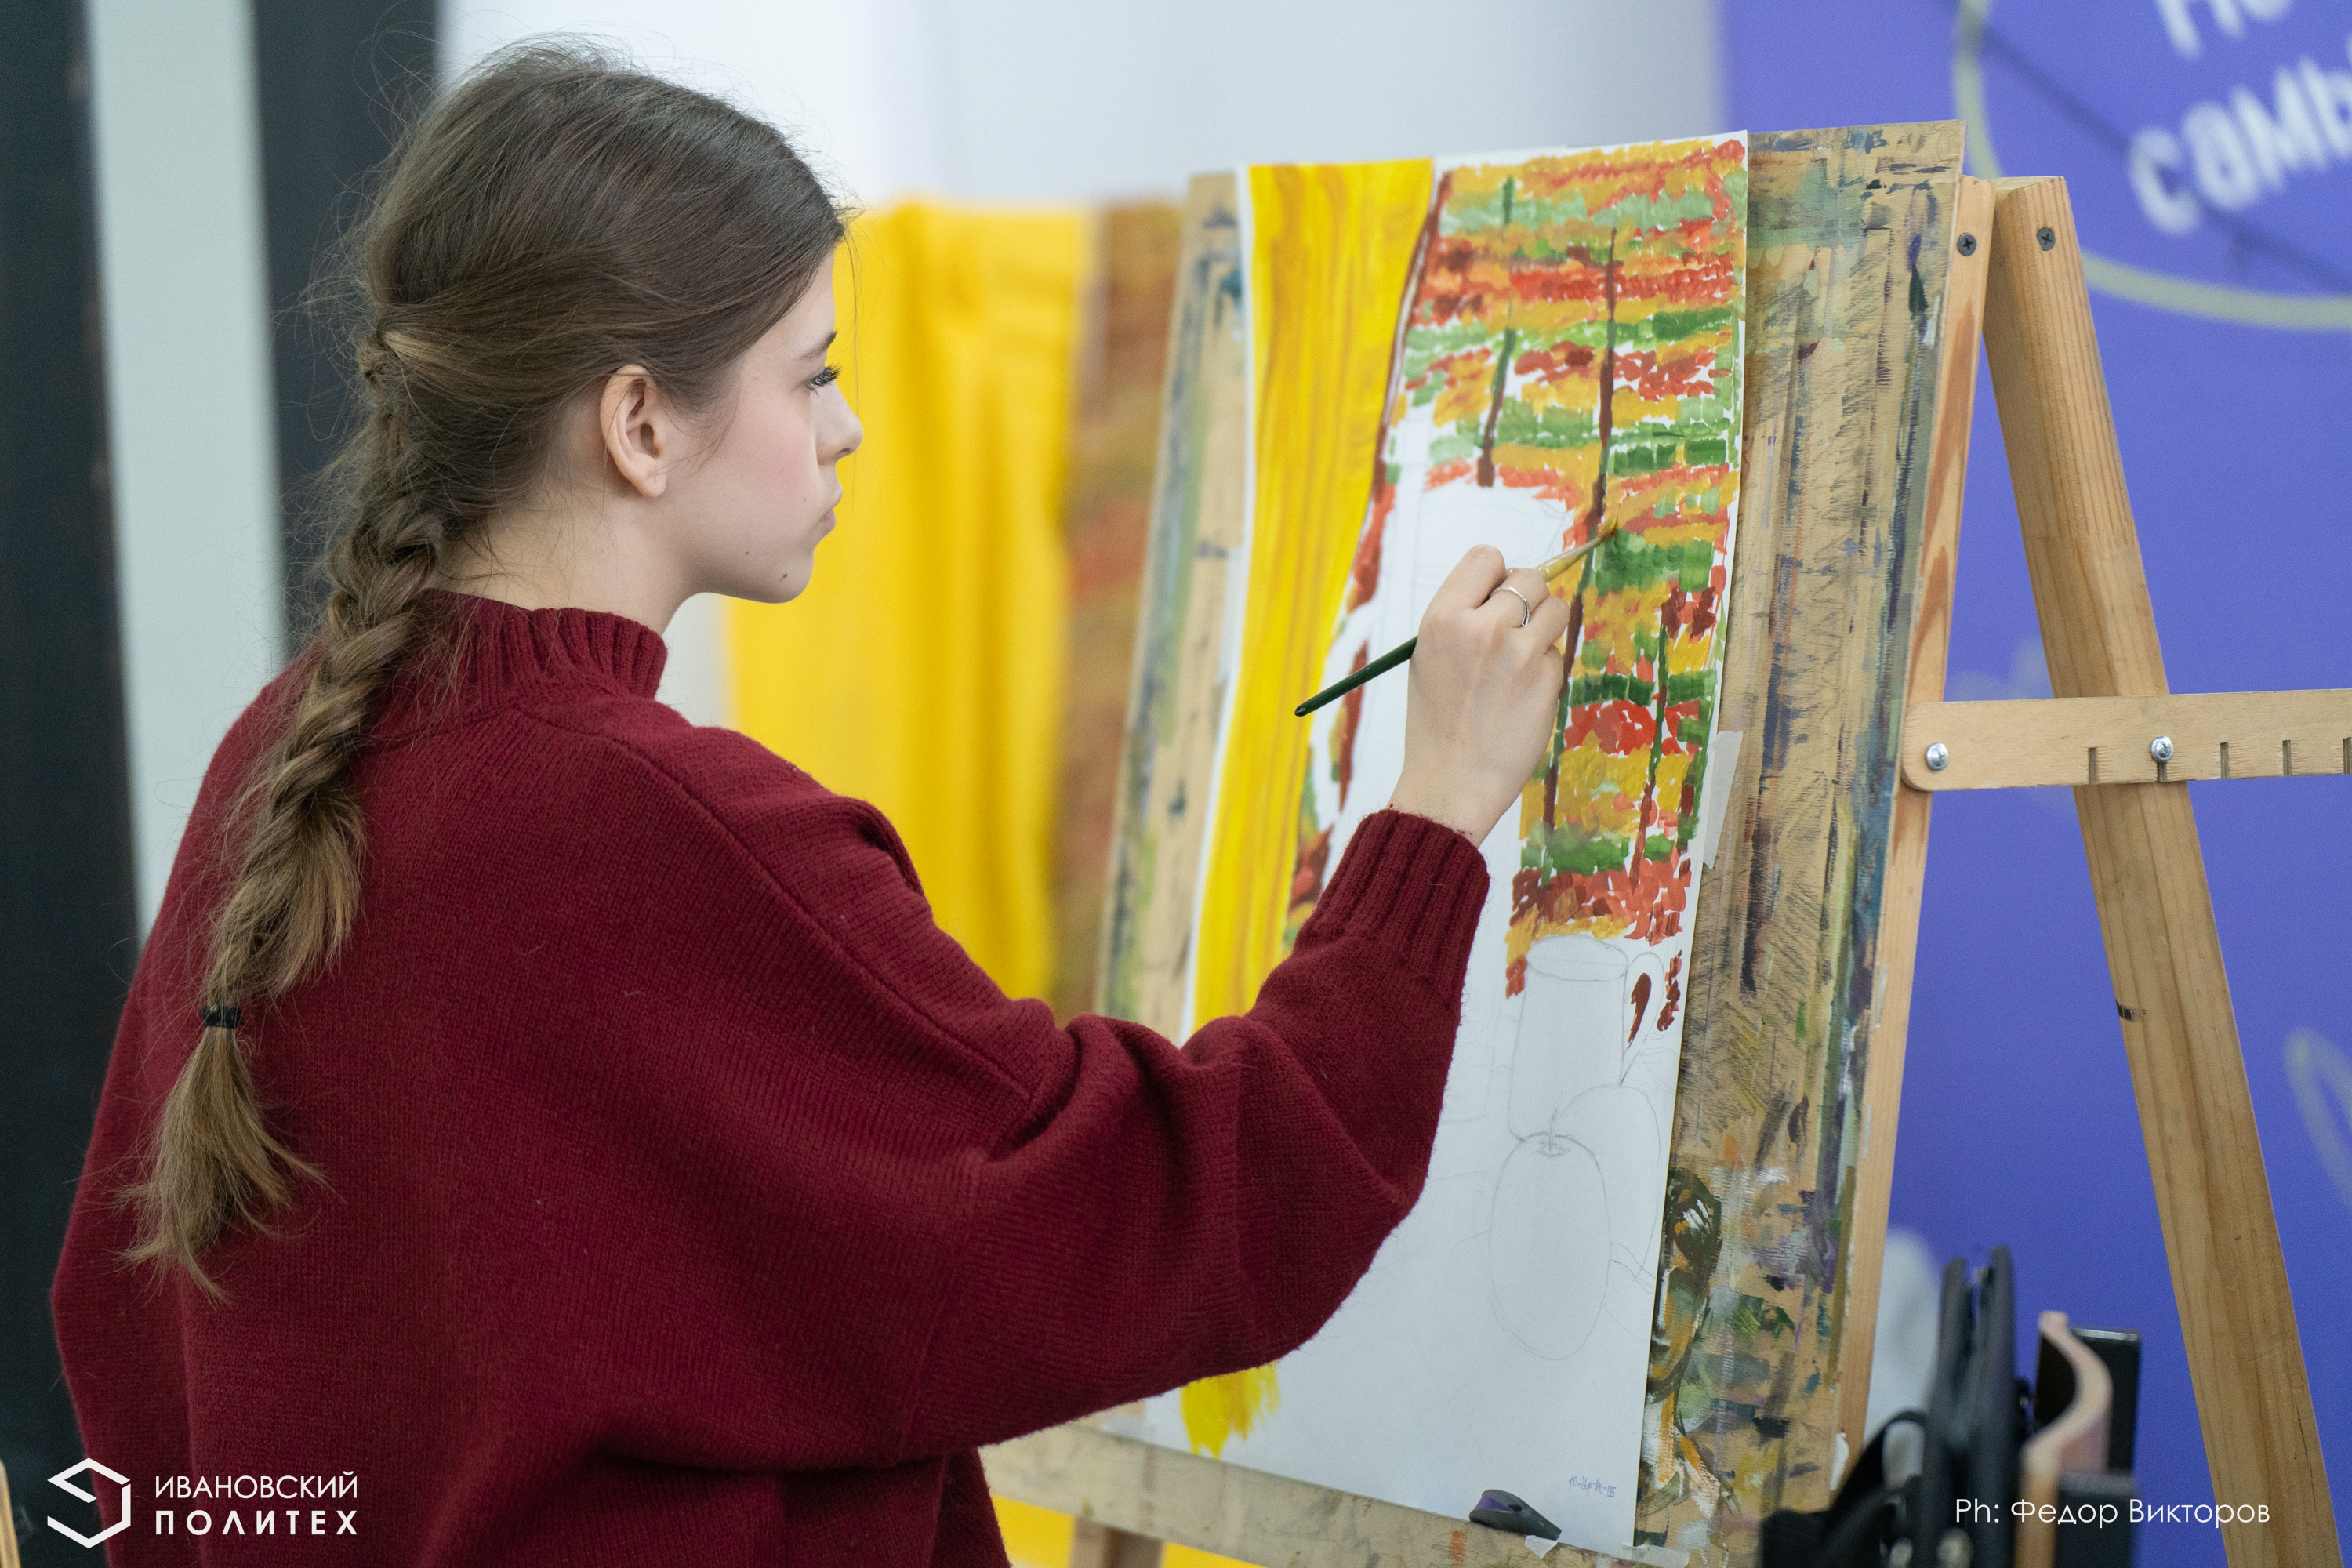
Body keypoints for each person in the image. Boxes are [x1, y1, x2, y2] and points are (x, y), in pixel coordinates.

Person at [52, 43, 1574, 1566]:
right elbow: (1186, 1214)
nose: (845, 427)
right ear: (641, 424)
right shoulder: (668, 831)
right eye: (812, 373)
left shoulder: (280, 754)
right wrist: (1434, 812)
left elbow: (122, 1337)